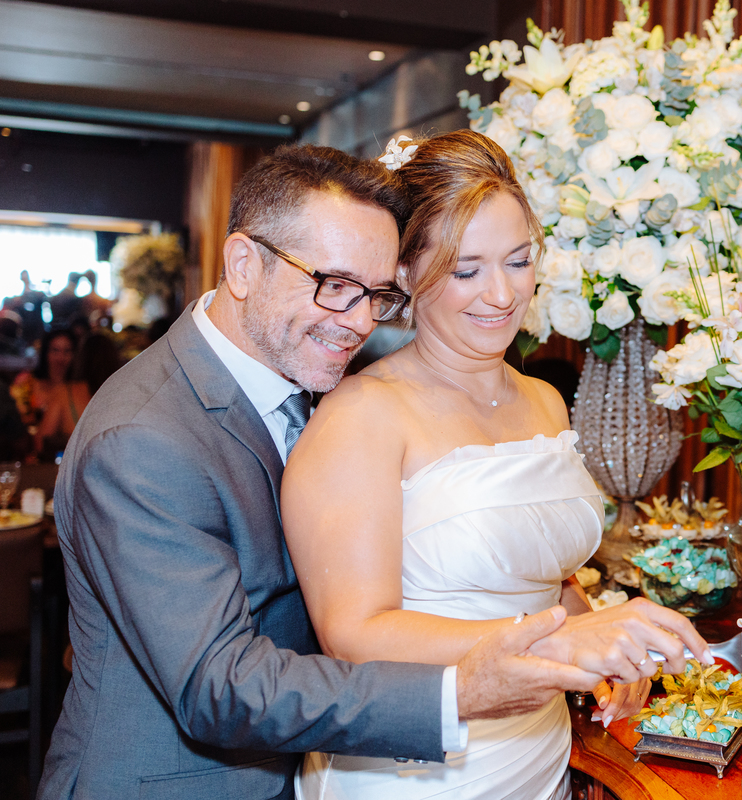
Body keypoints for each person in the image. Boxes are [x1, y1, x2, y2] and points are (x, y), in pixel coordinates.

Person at [39, 144, 679, 800]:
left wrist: (591, 630)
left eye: (374, 294)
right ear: (241, 265)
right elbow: (221, 688)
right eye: (335, 286)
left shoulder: (300, 368)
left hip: (367, 754)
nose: (359, 322)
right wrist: (484, 679)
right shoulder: (142, 438)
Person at [283, 130, 706, 800]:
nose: (503, 294)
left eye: (517, 260)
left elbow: (544, 578)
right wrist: (563, 643)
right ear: (407, 274)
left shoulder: (542, 400)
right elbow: (353, 634)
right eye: (466, 270)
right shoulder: (363, 414)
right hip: (416, 767)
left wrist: (605, 642)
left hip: (536, 747)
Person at [10, 328, 92, 461]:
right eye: (55, 350)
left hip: (60, 458)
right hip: (24, 455)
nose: (61, 357)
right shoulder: (26, 383)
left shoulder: (77, 391)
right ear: (45, 353)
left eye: (67, 351)